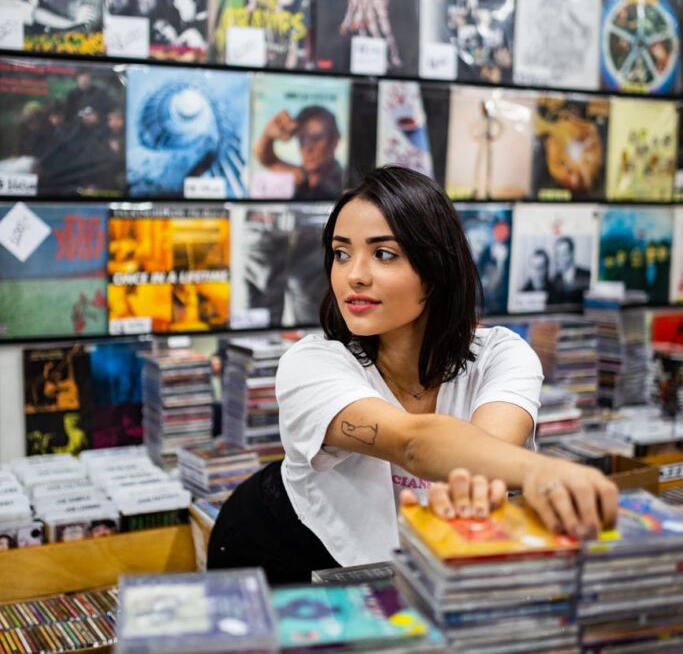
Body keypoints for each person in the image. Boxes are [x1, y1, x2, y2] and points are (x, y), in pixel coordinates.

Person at [208, 166, 618, 584]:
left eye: (384, 254)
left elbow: (488, 454)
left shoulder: (502, 354)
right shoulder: (310, 363)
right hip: (287, 549)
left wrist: (502, 478)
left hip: (414, 565)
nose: (354, 275)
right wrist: (539, 471)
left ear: (436, 267)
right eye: (341, 253)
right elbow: (412, 442)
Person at [253, 105, 344, 199]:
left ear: (335, 139)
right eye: (302, 139)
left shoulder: (346, 181)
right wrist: (268, 135)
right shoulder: (302, 176)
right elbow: (267, 159)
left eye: (316, 138)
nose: (307, 147)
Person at [547, 235, 591, 305]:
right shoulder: (553, 281)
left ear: (572, 253)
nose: (559, 259)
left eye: (563, 254)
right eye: (557, 254)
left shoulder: (587, 275)